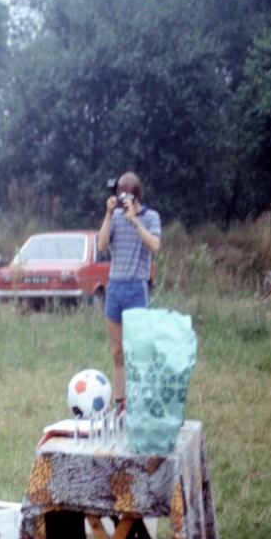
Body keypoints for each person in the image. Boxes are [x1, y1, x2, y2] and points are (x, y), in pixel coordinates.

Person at [97, 171, 161, 411]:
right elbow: (102, 244)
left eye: (127, 196)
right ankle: (121, 402)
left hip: (137, 287)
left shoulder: (151, 217)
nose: (124, 201)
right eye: (120, 195)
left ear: (137, 196)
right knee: (118, 352)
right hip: (115, 286)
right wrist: (108, 214)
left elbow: (155, 246)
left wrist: (134, 220)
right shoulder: (114, 217)